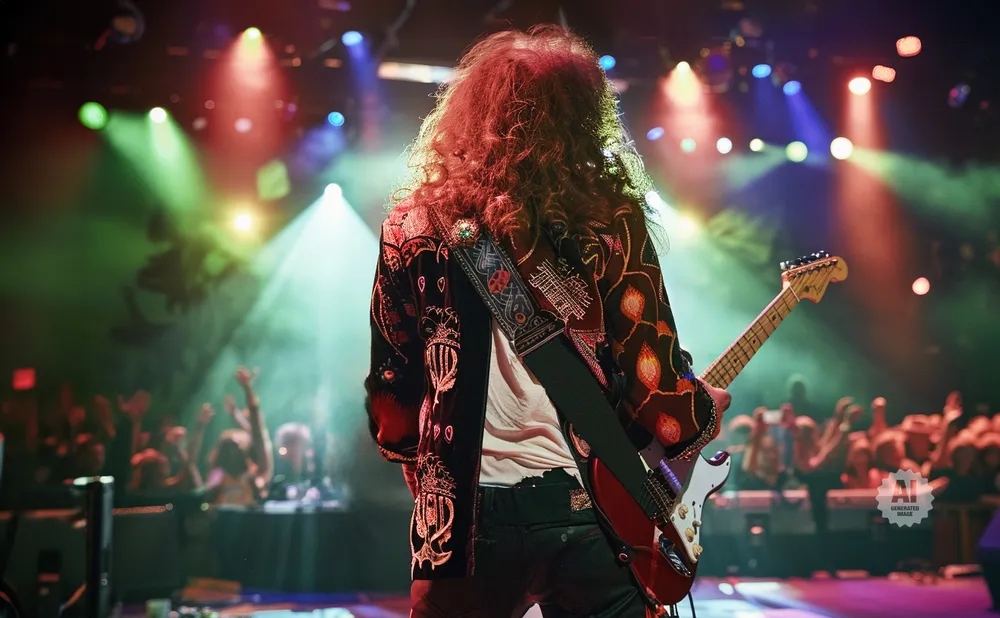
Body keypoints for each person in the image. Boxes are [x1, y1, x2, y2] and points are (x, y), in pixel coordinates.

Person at [364, 26, 730, 618]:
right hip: (588, 509)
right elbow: (660, 396)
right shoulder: (610, 220)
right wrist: (704, 409)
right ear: (583, 117)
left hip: (460, 517)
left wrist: (426, 472)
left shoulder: (413, 225)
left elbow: (394, 383)